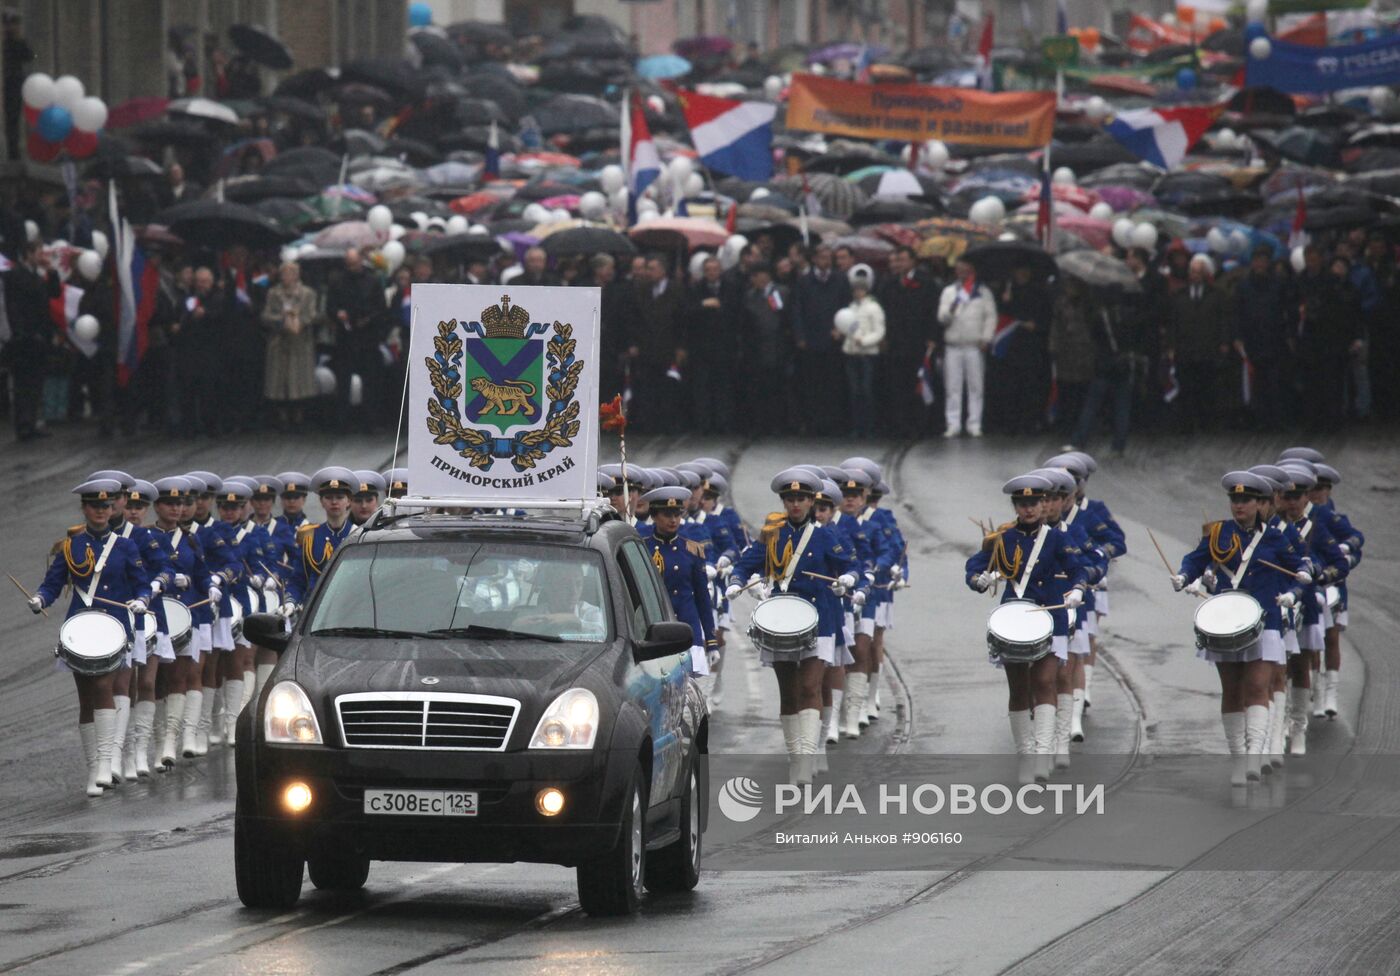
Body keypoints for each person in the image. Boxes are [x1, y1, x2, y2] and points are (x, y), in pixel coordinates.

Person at [1173, 471, 1306, 785]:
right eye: (1235, 499)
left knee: (1258, 686)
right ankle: (1237, 758)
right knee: (1231, 690)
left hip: (1265, 619)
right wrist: (1183, 576)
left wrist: (1293, 592)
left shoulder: (1275, 536)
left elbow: (1299, 567)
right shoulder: (1217, 532)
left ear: (1260, 503)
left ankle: (1254, 754)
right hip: (1225, 619)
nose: (1239, 505)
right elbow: (1195, 559)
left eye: (1245, 500)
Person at [725, 469, 857, 785]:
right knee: (789, 692)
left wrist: (848, 580)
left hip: (819, 619)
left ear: (812, 501)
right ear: (784, 501)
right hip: (781, 620)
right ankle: (795, 755)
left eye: (801, 498)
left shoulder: (826, 535)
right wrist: (737, 581)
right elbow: (747, 564)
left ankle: (807, 758)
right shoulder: (773, 533)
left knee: (811, 686)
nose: (795, 504)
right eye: (790, 498)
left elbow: (852, 565)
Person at [30, 479, 153, 797]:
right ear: (85, 509)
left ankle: (105, 764)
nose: (101, 512)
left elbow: (141, 582)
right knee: (86, 697)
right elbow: (53, 583)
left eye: (105, 506)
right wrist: (40, 600)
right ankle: (93, 766)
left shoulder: (125, 546)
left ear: (112, 508)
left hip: (113, 626)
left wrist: (142, 599)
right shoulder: (70, 546)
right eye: (94, 507)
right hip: (81, 626)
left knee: (103, 687)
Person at [964, 474, 1088, 784]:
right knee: (1019, 688)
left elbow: (1077, 569)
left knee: (1045, 680)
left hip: (1049, 617)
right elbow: (975, 566)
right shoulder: (1001, 538)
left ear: (1044, 503)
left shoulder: (1057, 538)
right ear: (1015, 506)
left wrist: (1077, 589)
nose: (1029, 508)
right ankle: (1026, 756)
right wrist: (978, 580)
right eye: (1022, 503)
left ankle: (1043, 753)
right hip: (1014, 618)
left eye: (1034, 502)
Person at [639, 486, 717, 682]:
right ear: (654, 516)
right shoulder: (641, 547)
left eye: (677, 514)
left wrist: (711, 640)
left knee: (687, 690)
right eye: (667, 514)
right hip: (655, 629)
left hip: (687, 629)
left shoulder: (692, 550)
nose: (673, 520)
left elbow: (702, 598)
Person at [876, 246, 936, 438]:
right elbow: (881, 312)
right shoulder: (889, 283)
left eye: (903, 260)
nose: (900, 264)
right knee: (897, 386)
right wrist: (883, 336)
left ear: (912, 261)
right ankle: (899, 426)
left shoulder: (925, 283)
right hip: (895, 343)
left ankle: (919, 426)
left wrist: (932, 338)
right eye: (897, 260)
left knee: (917, 385)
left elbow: (932, 312)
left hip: (917, 342)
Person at [1167, 254, 1229, 433]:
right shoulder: (1179, 295)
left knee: (1206, 387)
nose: (1195, 275)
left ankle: (1206, 423)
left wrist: (1223, 341)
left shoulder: (1216, 295)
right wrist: (1171, 345)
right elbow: (1173, 322)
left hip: (1207, 348)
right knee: (1186, 388)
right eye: (1192, 271)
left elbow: (1222, 320)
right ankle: (1186, 423)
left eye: (1199, 272)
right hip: (1185, 349)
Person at [792, 245, 852, 433]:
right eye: (822, 257)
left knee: (833, 382)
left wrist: (841, 330)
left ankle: (834, 422)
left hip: (833, 339)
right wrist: (800, 335)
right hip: (811, 339)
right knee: (812, 383)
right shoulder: (804, 281)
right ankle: (813, 422)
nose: (825, 261)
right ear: (814, 259)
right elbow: (797, 310)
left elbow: (846, 306)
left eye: (828, 257)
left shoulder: (840, 280)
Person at [1232, 245, 1292, 430]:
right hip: (1253, 340)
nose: (1259, 264)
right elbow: (1237, 313)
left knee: (1275, 382)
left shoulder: (1278, 284)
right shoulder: (1243, 286)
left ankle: (1277, 419)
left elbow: (1286, 310)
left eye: (1263, 261)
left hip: (1274, 339)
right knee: (1256, 383)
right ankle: (1260, 419)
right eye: (1256, 260)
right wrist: (1237, 336)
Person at [325, 248, 386, 430]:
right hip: (345, 338)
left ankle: (371, 420)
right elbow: (330, 306)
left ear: (361, 261)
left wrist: (368, 320)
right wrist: (338, 314)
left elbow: (381, 308)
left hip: (367, 338)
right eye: (348, 264)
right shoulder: (337, 281)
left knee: (370, 381)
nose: (351, 267)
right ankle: (342, 421)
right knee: (343, 381)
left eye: (354, 263)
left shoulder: (372, 281)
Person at [5, 238, 58, 441]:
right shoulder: (17, 275)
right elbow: (16, 308)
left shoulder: (37, 276)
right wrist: (22, 332)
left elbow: (52, 293)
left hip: (39, 338)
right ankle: (24, 424)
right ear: (27, 253)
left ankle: (32, 420)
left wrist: (52, 272)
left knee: (35, 383)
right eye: (38, 252)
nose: (41, 256)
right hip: (25, 340)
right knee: (23, 384)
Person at [937, 258, 996, 438]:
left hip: (974, 345)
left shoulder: (983, 292)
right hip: (953, 345)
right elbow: (942, 318)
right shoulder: (949, 292)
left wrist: (986, 338)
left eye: (966, 269)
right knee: (953, 387)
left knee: (976, 386)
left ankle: (974, 423)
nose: (962, 272)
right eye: (959, 269)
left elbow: (990, 317)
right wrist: (952, 308)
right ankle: (953, 423)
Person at [283, 467, 358, 610]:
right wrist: (290, 602)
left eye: (340, 497)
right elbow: (299, 579)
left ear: (349, 501)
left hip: (348, 608)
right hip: (315, 610)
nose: (334, 502)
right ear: (321, 502)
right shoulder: (310, 537)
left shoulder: (357, 535)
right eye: (329, 498)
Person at [261, 261, 319, 429]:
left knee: (299, 380)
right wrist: (281, 319)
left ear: (296, 275)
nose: (286, 277)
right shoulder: (273, 293)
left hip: (300, 342)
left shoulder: (308, 293)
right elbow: (265, 315)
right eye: (283, 274)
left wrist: (299, 322)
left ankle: (299, 416)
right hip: (279, 343)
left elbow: (312, 314)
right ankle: (282, 416)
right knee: (279, 381)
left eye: (289, 273)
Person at [683, 255, 736, 434]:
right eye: (708, 270)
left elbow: (736, 314)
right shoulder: (696, 289)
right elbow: (686, 313)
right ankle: (703, 424)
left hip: (723, 346)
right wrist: (703, 305)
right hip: (702, 347)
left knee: (723, 387)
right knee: (702, 387)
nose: (712, 273)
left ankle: (724, 423)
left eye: (715, 269)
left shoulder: (731, 287)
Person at [838, 276, 885, 438]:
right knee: (854, 392)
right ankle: (857, 426)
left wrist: (864, 341)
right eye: (855, 290)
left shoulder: (873, 308)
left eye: (859, 289)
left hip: (867, 354)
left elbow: (879, 331)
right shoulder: (851, 308)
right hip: (852, 354)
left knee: (867, 391)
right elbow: (847, 327)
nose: (856, 293)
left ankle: (870, 426)